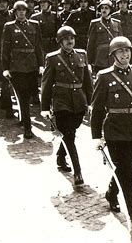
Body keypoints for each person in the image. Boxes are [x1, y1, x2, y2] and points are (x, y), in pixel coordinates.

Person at [91, 36, 132, 239]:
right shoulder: (104, 76)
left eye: (127, 51)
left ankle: (111, 192)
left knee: (124, 168)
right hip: (115, 131)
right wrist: (96, 136)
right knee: (128, 172)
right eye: (120, 52)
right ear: (113, 55)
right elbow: (97, 109)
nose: (125, 55)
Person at [41, 26, 93, 185]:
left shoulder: (82, 55)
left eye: (72, 38)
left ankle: (60, 156)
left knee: (71, 132)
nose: (70, 41)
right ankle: (78, 172)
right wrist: (45, 107)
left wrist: (91, 103)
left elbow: (87, 82)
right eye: (66, 39)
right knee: (69, 135)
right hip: (61, 101)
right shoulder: (52, 58)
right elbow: (46, 84)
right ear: (60, 42)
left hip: (78, 102)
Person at [1, 1, 44, 139]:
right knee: (23, 97)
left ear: (26, 11)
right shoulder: (9, 27)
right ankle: (28, 127)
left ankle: (24, 119)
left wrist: (41, 64)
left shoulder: (34, 25)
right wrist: (6, 68)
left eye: (23, 10)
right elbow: (5, 50)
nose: (21, 12)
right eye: (18, 10)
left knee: (30, 96)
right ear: (14, 12)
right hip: (17, 67)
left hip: (31, 66)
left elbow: (38, 47)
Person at [87, 0, 122, 73]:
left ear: (111, 10)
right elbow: (91, 44)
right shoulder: (95, 23)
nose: (104, 10)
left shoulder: (117, 23)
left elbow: (120, 43)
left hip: (114, 57)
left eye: (106, 8)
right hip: (100, 58)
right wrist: (89, 62)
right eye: (102, 8)